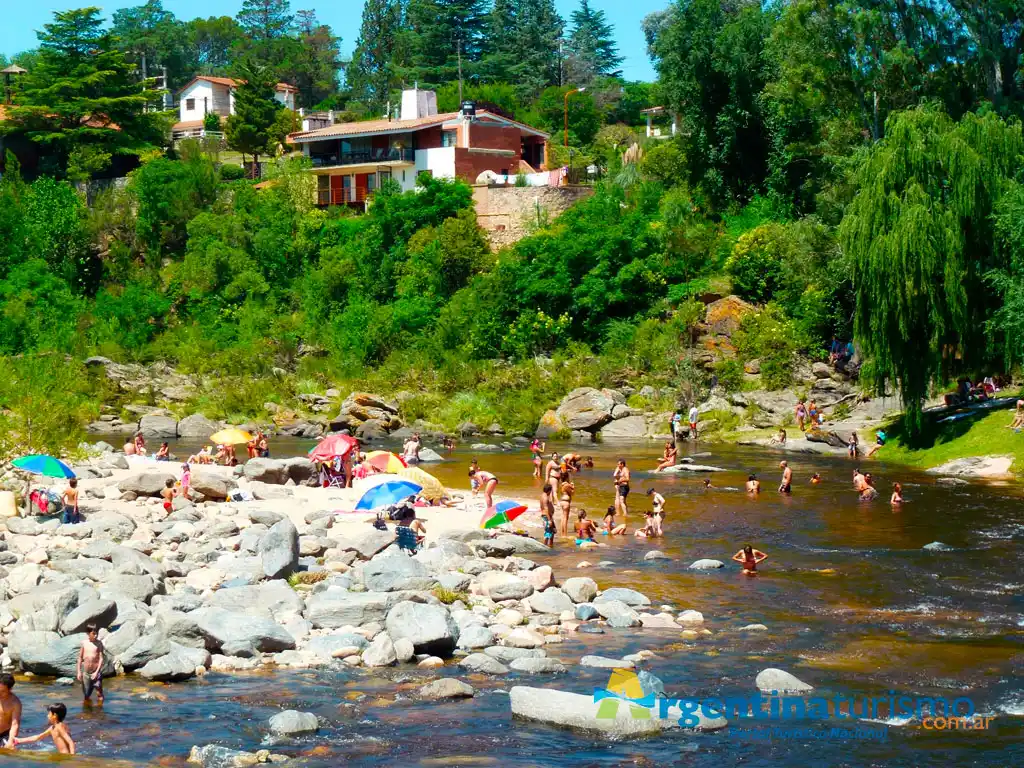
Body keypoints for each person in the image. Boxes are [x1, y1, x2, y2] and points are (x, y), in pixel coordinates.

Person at [9, 703, 74, 754]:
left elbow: (70, 742)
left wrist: (72, 758)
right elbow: (37, 737)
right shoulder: (52, 728)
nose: (47, 716)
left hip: (66, 756)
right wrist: (19, 740)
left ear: (54, 716)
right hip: (62, 756)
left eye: (49, 714)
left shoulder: (59, 726)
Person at [76, 624, 105, 705]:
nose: (95, 636)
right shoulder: (84, 643)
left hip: (96, 672)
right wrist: (78, 671)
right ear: (88, 633)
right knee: (86, 694)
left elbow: (101, 658)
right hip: (86, 673)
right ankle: (87, 713)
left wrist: (96, 672)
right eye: (93, 634)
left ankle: (100, 712)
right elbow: (80, 658)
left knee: (99, 693)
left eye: (96, 633)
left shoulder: (99, 643)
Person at [0, 673, 22, 748]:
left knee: (7, 754)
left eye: (3, 691)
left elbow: (15, 724)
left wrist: (10, 740)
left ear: (10, 689)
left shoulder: (15, 703)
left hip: (4, 735)